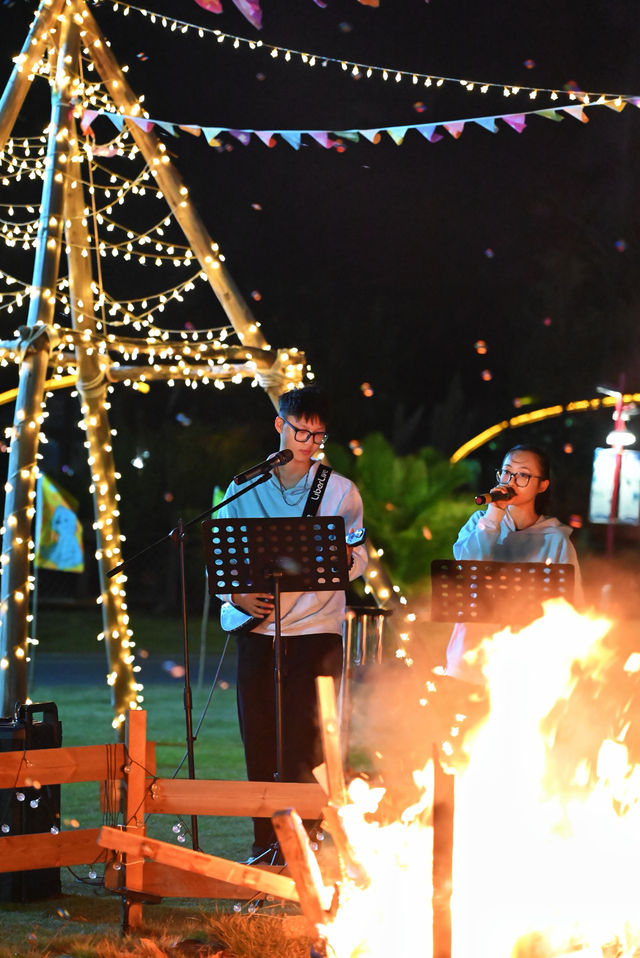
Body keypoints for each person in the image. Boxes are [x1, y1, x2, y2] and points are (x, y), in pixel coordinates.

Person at [217, 385, 367, 862]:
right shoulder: (245, 485)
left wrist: (347, 557)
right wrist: (238, 594)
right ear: (279, 425)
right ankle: (265, 843)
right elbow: (223, 556)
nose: (308, 441)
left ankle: (308, 840)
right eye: (300, 430)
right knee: (258, 735)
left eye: (317, 435)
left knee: (308, 737)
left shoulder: (340, 490)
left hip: (317, 627)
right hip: (259, 630)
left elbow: (359, 555)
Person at [445, 444, 582, 684]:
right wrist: (494, 516)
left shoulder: (555, 538)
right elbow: (467, 568)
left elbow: (573, 604)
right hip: (469, 661)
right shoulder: (481, 522)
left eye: (523, 475)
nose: (511, 480)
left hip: (523, 669)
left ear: (542, 485)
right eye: (507, 472)